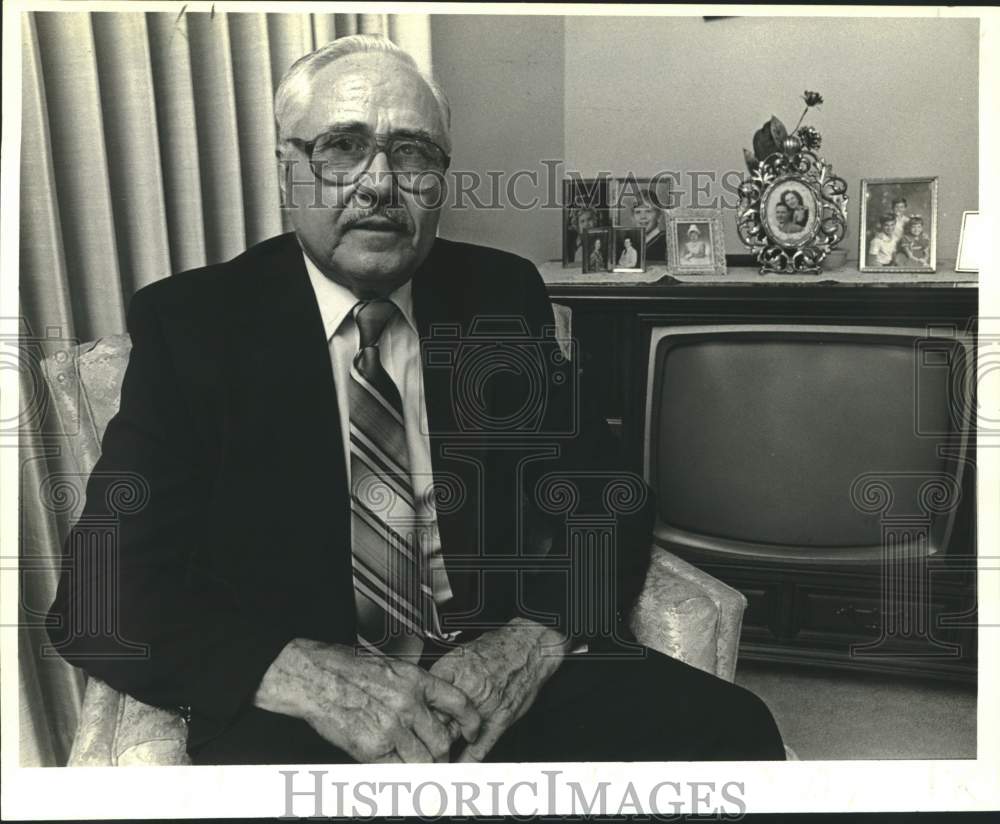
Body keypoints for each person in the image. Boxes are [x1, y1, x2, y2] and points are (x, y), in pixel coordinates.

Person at [47, 34, 784, 766]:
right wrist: (300, 675)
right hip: (306, 709)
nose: (378, 184)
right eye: (342, 146)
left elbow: (607, 496)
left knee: (735, 734)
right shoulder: (193, 326)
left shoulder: (498, 296)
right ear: (286, 175)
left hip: (488, 680)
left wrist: (532, 641)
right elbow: (97, 594)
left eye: (411, 153)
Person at [631, 191, 666, 262]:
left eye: (648, 211)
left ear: (659, 216)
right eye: (638, 212)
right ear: (632, 218)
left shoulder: (665, 242)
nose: (643, 217)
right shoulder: (631, 243)